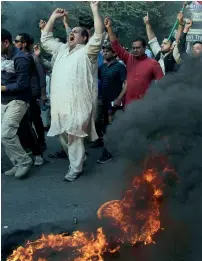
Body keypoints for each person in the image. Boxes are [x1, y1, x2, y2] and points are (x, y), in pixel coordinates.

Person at [41, 3, 105, 182]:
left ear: (85, 38)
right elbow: (45, 40)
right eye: (72, 30)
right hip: (60, 104)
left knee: (74, 135)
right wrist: (53, 17)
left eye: (77, 31)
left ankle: (75, 168)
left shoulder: (88, 52)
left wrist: (94, 9)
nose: (73, 32)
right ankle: (78, 158)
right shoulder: (61, 50)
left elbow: (99, 35)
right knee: (63, 132)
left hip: (79, 104)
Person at [104, 17, 164, 106]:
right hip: (128, 105)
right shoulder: (128, 58)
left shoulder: (153, 63)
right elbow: (115, 45)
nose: (135, 50)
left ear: (145, 48)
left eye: (138, 48)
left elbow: (162, 83)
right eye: (134, 48)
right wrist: (109, 28)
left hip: (145, 105)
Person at [1, 29, 33, 178]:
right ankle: (17, 163)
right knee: (3, 135)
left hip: (18, 100)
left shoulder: (20, 59)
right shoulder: (2, 55)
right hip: (3, 99)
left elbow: (23, 84)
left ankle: (25, 161)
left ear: (5, 42)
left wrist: (2, 87)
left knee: (6, 134)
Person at [14, 33, 46, 165]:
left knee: (34, 119)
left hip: (32, 94)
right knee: (25, 122)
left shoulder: (33, 58)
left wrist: (43, 94)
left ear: (24, 43)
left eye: (16, 41)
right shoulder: (15, 57)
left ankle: (40, 144)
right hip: (20, 94)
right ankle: (32, 146)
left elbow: (41, 77)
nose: (14, 43)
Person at [96, 43, 127, 163]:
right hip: (103, 102)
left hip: (114, 104)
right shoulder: (102, 67)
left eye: (107, 51)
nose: (104, 53)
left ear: (114, 53)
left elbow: (126, 84)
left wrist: (119, 98)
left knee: (111, 128)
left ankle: (108, 152)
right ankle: (109, 148)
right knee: (102, 126)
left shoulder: (120, 67)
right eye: (103, 51)